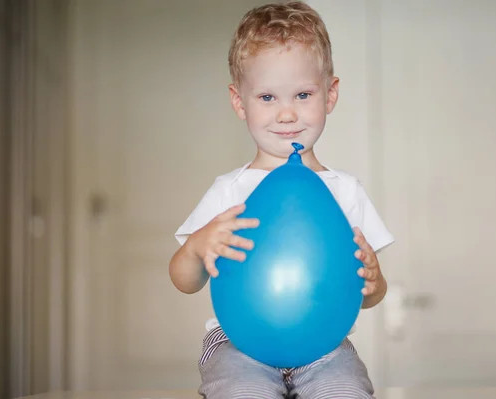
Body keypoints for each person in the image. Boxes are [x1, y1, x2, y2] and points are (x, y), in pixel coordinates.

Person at [169, 2, 395, 398]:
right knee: (243, 392)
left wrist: (373, 281)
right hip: (237, 343)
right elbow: (184, 281)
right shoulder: (228, 191)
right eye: (268, 97)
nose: (287, 114)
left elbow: (371, 295)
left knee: (347, 391)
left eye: (303, 94)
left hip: (324, 346)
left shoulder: (346, 190)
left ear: (330, 94)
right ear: (240, 102)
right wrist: (197, 246)